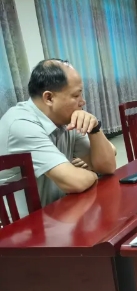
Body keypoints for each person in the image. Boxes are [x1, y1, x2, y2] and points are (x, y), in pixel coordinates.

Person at [0, 59, 117, 207]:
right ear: (49, 98)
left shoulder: (64, 120)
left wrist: (94, 129)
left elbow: (107, 167)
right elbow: (75, 182)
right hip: (24, 220)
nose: (83, 102)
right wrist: (94, 174)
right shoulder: (21, 125)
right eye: (76, 96)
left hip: (56, 209)